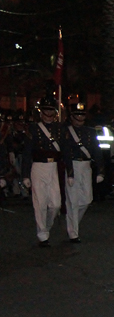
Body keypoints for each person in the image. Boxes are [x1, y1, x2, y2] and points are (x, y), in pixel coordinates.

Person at [22, 94, 72, 247]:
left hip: (54, 168)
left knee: (56, 204)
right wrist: (25, 174)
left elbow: (65, 151)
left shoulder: (59, 129)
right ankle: (42, 235)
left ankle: (46, 227)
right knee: (40, 203)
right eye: (46, 111)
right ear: (41, 112)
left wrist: (70, 172)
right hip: (38, 166)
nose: (49, 114)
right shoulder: (34, 128)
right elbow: (27, 152)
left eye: (51, 111)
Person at [63, 94, 104, 243]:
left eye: (82, 115)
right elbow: (66, 152)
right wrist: (70, 172)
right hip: (73, 165)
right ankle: (73, 232)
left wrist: (100, 170)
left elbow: (97, 151)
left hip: (86, 166)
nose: (80, 118)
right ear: (72, 117)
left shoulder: (90, 132)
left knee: (87, 199)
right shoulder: (66, 131)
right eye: (77, 115)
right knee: (72, 201)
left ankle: (73, 224)